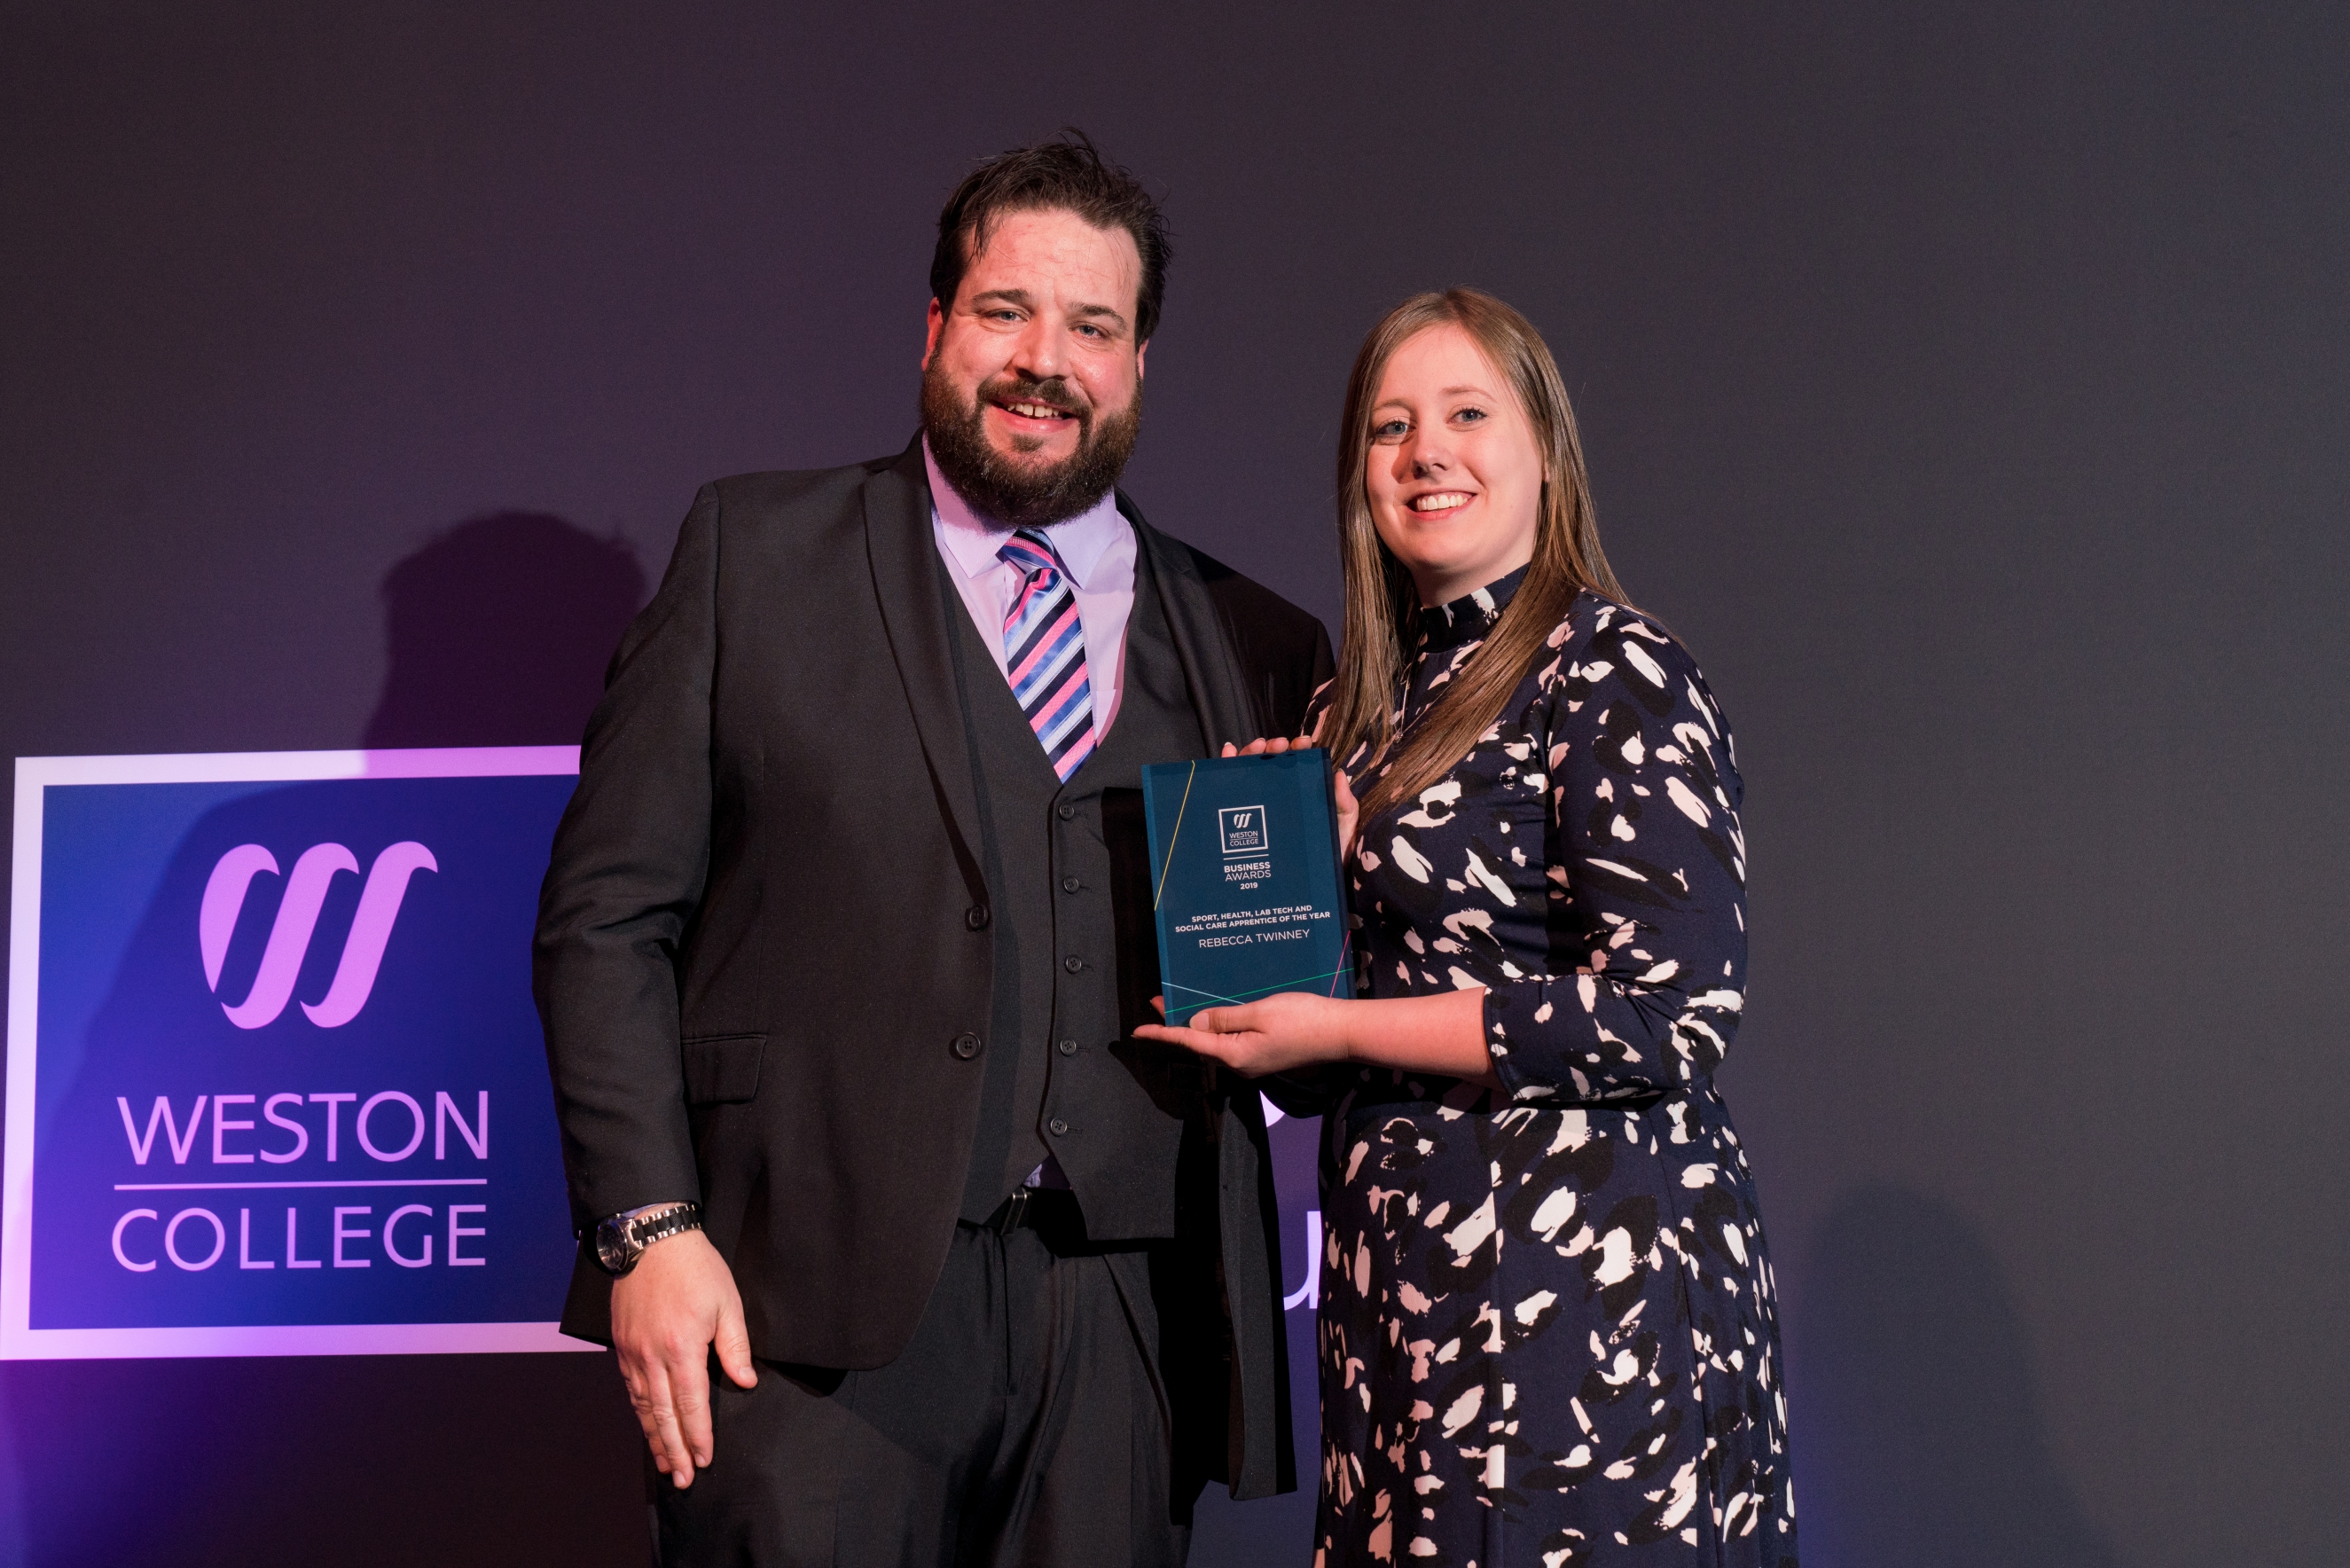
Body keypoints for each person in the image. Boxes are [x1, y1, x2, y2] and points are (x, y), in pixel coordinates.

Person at [532, 133, 1327, 1567]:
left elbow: (1284, 1016)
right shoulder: (753, 556)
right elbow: (604, 922)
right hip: (798, 1325)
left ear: (1140, 362)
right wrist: (647, 1231)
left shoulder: (1256, 644)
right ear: (934, 330)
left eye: (1092, 325)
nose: (1044, 360)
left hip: (1127, 1323)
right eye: (1003, 311)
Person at [1136, 289, 1798, 1565]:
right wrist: (1305, 897)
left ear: (1542, 449)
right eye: (1389, 426)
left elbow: (1670, 1015)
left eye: (1463, 414)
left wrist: (1339, 1018)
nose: (1423, 451)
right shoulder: (1358, 709)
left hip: (1577, 1302)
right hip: (1404, 1296)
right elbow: (1337, 1048)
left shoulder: (1613, 669)